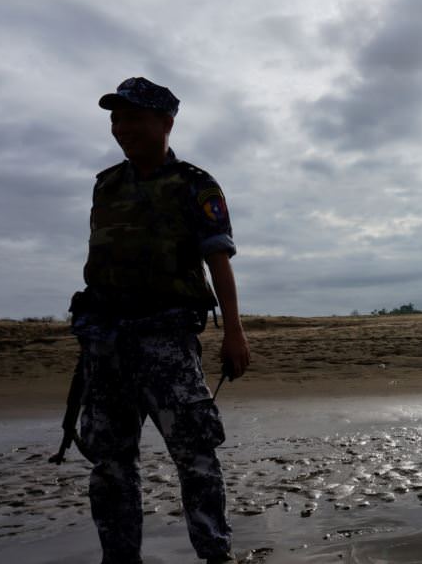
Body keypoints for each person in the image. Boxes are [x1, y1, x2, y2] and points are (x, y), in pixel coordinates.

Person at [73, 77, 249, 564]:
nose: (121, 127)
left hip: (166, 338)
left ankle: (216, 555)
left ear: (166, 122)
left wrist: (234, 332)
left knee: (194, 456)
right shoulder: (106, 185)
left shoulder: (196, 184)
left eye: (133, 117)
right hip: (106, 342)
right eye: (115, 117)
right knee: (109, 462)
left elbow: (219, 263)